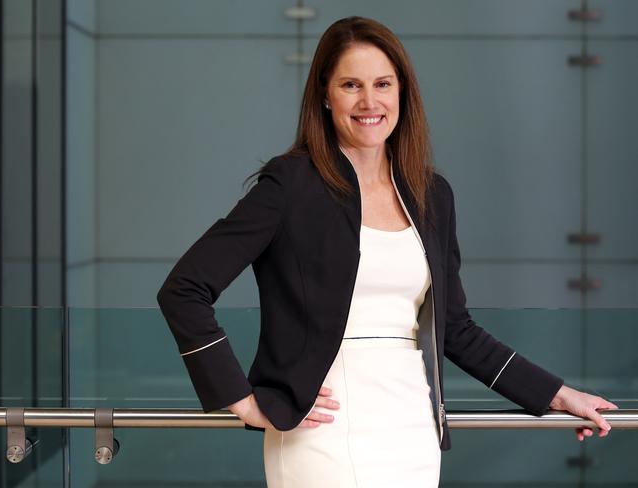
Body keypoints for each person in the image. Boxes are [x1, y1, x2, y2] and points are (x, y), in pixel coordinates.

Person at [157, 16, 618, 488]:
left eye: (382, 84)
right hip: (323, 429)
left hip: (411, 424)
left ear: (402, 93)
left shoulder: (430, 194)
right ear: (324, 94)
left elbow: (457, 330)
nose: (369, 101)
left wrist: (558, 395)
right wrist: (243, 400)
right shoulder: (290, 185)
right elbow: (184, 289)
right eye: (350, 85)